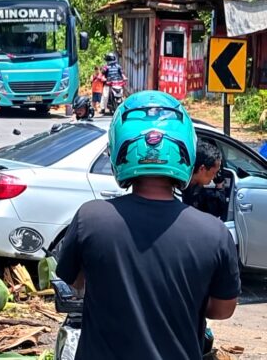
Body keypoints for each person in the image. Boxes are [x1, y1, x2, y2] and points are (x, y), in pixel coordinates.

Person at [55, 90, 240, 360]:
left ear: (119, 150)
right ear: (185, 151)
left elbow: (75, 282)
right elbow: (223, 310)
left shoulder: (91, 218)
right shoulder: (214, 233)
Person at [182, 140, 227, 220]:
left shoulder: (195, 187)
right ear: (202, 169)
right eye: (214, 172)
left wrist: (219, 184)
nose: (214, 177)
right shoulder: (179, 192)